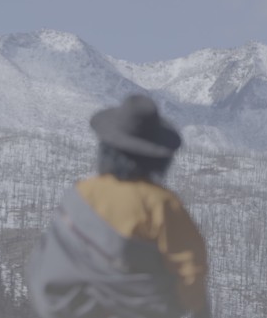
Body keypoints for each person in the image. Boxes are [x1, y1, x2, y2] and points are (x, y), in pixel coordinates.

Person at [26, 95, 210, 318]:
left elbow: (46, 263)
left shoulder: (81, 193)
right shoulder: (161, 204)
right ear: (158, 156)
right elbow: (191, 278)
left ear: (107, 148)